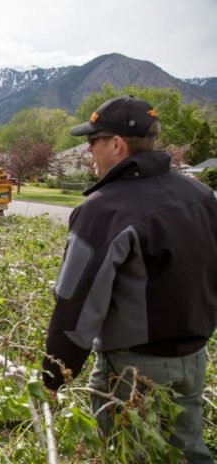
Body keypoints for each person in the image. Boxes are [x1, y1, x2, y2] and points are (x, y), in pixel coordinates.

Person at [42, 95, 217, 461]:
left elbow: (76, 305)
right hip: (194, 359)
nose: (89, 151)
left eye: (92, 141)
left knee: (127, 454)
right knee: (188, 454)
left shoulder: (103, 210)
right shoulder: (202, 197)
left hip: (135, 371)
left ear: (117, 145)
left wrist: (53, 377)